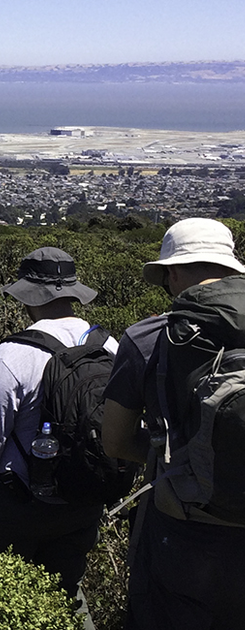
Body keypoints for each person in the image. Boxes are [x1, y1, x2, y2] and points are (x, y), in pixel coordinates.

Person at [102, 218, 245, 630]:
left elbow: (114, 441)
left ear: (173, 272)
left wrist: (179, 456)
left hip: (184, 533)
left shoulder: (148, 337)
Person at [0, 247, 115, 603]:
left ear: (28, 296)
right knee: (65, 598)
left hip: (16, 505)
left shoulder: (14, 355)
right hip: (83, 501)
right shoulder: (109, 346)